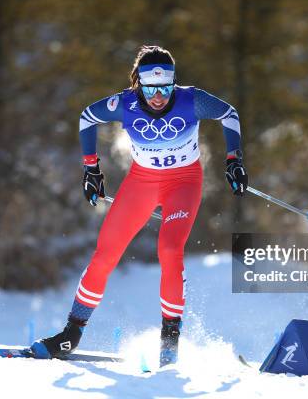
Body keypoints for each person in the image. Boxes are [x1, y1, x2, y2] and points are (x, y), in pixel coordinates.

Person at [28, 45, 248, 365]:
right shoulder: (125, 103)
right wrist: (91, 168)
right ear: (138, 85)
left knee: (170, 250)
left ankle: (169, 343)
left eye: (165, 87)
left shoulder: (191, 100)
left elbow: (229, 114)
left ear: (173, 83)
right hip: (141, 183)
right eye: (150, 88)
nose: (158, 96)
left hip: (183, 184)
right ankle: (70, 335)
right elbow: (87, 116)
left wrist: (233, 159)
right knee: (105, 253)